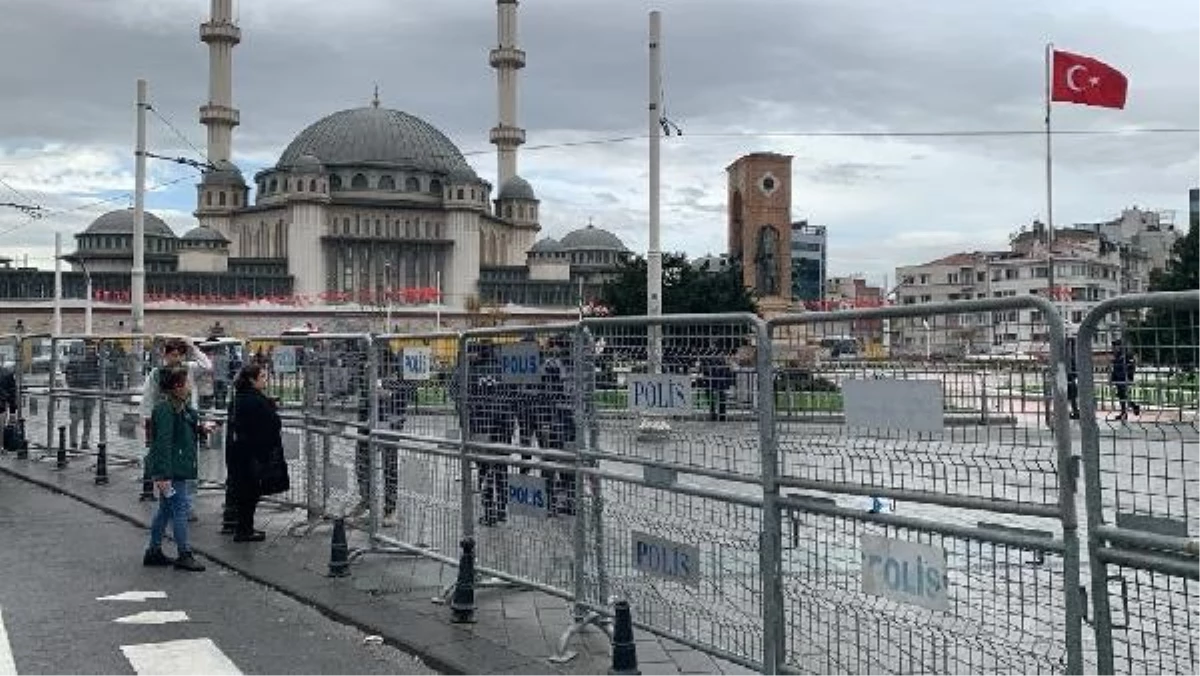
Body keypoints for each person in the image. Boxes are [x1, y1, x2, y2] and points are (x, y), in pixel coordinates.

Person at [143, 366, 212, 572]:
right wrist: (162, 474)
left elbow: (189, 419)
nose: (191, 385)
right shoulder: (165, 410)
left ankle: (153, 551)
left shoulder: (180, 407)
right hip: (172, 470)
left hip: (176, 467)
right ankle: (184, 553)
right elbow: (162, 443)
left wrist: (201, 428)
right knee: (179, 509)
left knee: (166, 509)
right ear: (177, 386)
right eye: (187, 382)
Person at [139, 337, 213, 507]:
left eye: (180, 355)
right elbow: (148, 397)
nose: (177, 358)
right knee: (167, 457)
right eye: (173, 355)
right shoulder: (156, 374)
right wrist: (146, 419)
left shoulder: (189, 369)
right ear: (165, 355)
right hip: (166, 421)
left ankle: (186, 503)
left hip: (186, 420)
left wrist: (192, 348)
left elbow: (207, 366)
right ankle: (169, 499)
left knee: (187, 459)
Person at [226, 363, 280, 542]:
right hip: (251, 454)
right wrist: (271, 408)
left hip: (239, 452)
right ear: (252, 379)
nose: (265, 380)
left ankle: (243, 527)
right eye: (262, 376)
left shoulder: (240, 397)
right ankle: (244, 530)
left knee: (244, 492)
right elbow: (271, 423)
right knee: (250, 493)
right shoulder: (254, 400)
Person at [65, 341, 101, 450]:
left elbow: (100, 376)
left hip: (90, 392)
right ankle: (73, 442)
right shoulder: (74, 360)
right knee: (75, 419)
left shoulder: (96, 361)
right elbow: (69, 377)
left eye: (92, 348)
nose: (91, 350)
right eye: (89, 348)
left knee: (88, 419)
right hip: (77, 392)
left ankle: (85, 441)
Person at [1109, 339, 1141, 422]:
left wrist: (1129, 377)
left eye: (1115, 347)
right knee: (1121, 396)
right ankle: (1124, 412)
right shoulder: (1117, 356)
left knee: (1124, 395)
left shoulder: (1126, 356)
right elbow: (1115, 369)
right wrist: (1112, 378)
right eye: (1113, 347)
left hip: (1124, 378)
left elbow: (1131, 367)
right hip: (1118, 378)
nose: (1114, 349)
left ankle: (1133, 407)